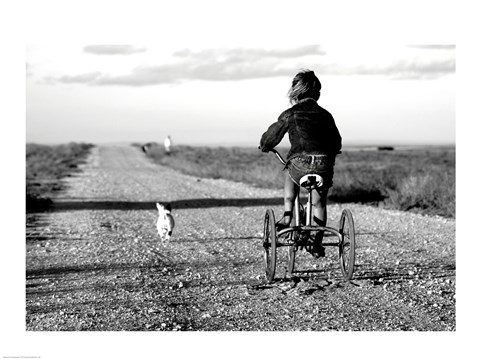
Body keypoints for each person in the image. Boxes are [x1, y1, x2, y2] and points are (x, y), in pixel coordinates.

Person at [259, 69, 342, 257]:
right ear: (317, 93)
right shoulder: (326, 115)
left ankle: (288, 216)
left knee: (290, 169)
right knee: (319, 203)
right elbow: (336, 142)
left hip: (300, 163)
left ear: (295, 92)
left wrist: (264, 145)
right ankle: (316, 243)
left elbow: (271, 137)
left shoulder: (290, 113)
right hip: (323, 163)